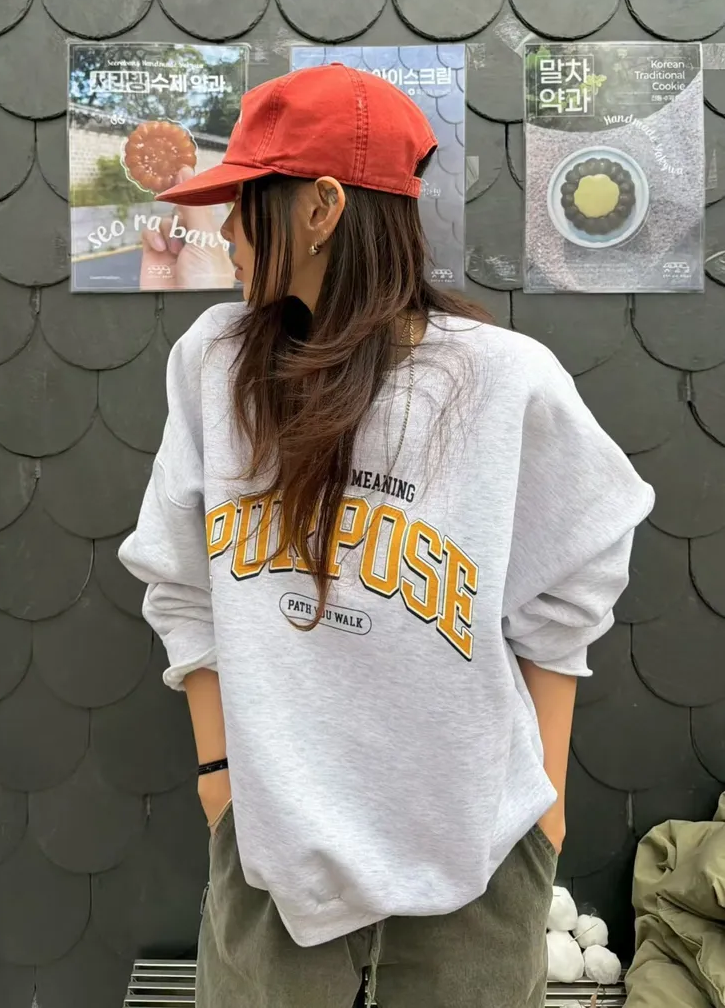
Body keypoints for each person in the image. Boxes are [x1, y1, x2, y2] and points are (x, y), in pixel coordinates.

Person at [119, 63, 654, 1008]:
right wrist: (219, 779)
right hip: (272, 857)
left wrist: (548, 809)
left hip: (474, 864)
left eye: (245, 202)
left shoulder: (502, 380)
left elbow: (573, 586)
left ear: (321, 208)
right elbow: (181, 580)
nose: (228, 230)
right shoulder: (217, 365)